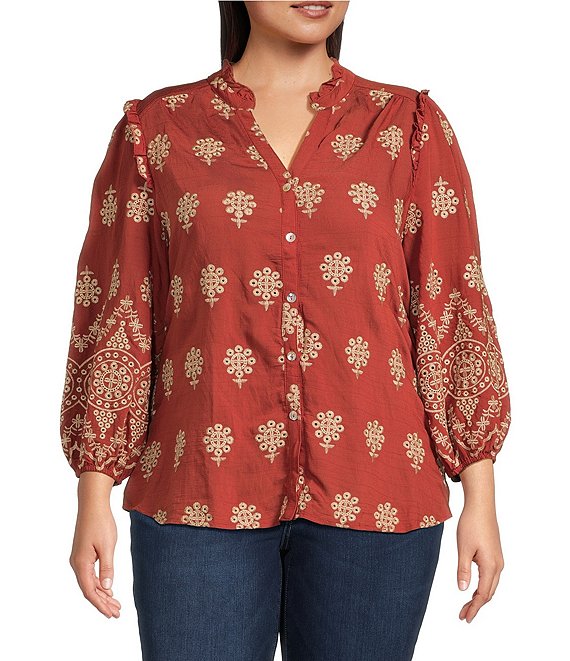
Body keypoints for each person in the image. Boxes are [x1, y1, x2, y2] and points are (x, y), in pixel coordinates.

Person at [61, 2, 512, 659]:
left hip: (378, 496)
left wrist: (481, 494)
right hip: (198, 497)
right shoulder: (156, 131)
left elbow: (454, 306)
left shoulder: (408, 127)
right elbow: (116, 312)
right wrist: (94, 491)